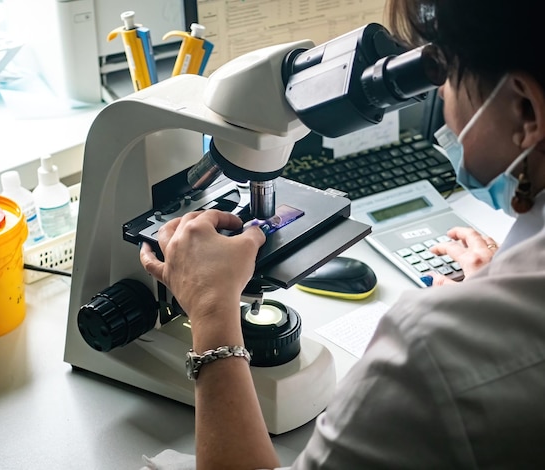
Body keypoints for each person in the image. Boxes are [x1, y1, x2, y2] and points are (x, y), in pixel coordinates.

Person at [140, 0, 545, 467]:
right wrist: (500, 287)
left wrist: (211, 310)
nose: (445, 104)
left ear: (525, 111)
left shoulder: (437, 347)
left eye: (450, 78)